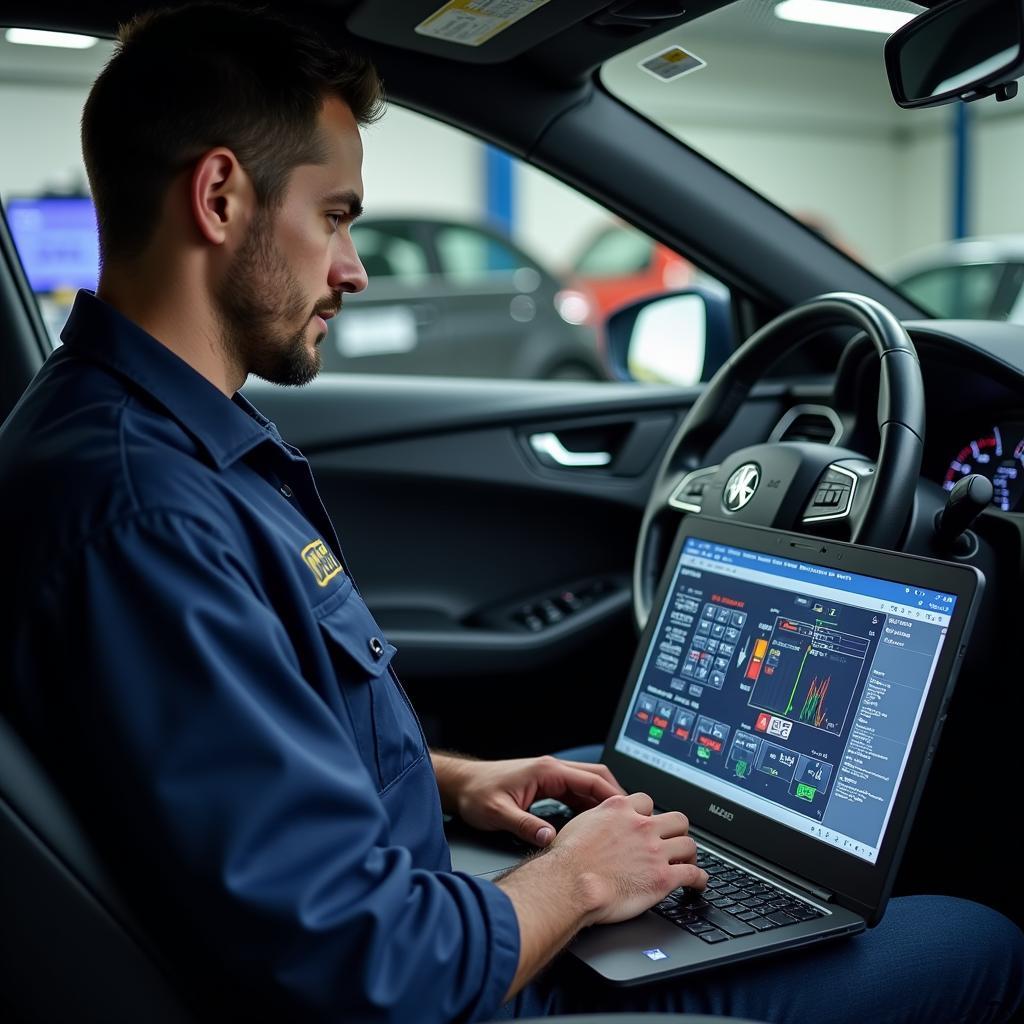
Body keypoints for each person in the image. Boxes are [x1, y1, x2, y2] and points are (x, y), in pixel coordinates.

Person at [0, 5, 1019, 1022]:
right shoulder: (147, 517)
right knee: (978, 940)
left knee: (618, 788)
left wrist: (454, 781)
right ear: (220, 196)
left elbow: (251, 759)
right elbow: (368, 975)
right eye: (337, 216)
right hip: (452, 988)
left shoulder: (129, 443)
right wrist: (574, 883)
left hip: (410, 903)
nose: (352, 267)